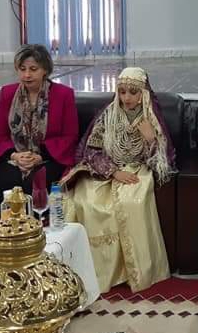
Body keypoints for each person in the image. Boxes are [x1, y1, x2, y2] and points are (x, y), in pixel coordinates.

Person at [61, 67, 173, 292]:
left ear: (143, 94)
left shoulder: (150, 118)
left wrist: (150, 139)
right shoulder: (108, 115)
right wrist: (112, 171)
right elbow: (91, 151)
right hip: (105, 170)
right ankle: (98, 271)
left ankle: (132, 272)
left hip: (137, 169)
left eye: (133, 92)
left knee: (132, 203)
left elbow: (162, 161)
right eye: (122, 92)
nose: (127, 98)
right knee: (86, 201)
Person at [0, 44, 78, 206]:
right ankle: (7, 221)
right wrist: (15, 156)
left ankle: (39, 222)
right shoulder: (7, 93)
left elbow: (70, 136)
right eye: (22, 69)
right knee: (8, 180)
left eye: (33, 69)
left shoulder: (64, 94)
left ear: (45, 70)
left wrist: (40, 157)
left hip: (49, 158)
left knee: (36, 181)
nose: (27, 75)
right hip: (14, 156)